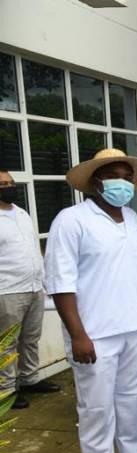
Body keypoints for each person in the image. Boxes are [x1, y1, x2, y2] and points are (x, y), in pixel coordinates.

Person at [44, 148, 137, 453]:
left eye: (126, 177)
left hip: (135, 327)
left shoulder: (135, 223)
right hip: (94, 333)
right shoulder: (71, 220)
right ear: (95, 183)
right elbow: (59, 281)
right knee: (96, 411)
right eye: (113, 176)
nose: (121, 183)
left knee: (130, 404)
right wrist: (78, 335)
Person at [0, 170, 60, 410]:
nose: (9, 186)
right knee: (6, 343)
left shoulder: (22, 213)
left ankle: (30, 378)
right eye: (3, 183)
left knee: (31, 338)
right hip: (8, 289)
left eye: (11, 182)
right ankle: (5, 391)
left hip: (35, 286)